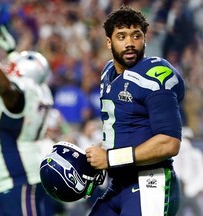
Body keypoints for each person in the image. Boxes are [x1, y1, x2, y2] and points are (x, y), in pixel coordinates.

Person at [85, 6, 185, 216]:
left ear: (144, 40)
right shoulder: (108, 72)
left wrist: (110, 159)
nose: (130, 43)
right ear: (109, 42)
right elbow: (124, 126)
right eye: (121, 36)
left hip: (151, 182)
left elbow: (169, 142)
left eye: (136, 36)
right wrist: (99, 154)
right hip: (120, 184)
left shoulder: (155, 76)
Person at [0, 25, 54, 216]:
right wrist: (12, 52)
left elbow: (7, 88)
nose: (9, 69)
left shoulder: (19, 96)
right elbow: (26, 74)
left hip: (19, 182)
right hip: (8, 183)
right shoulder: (40, 91)